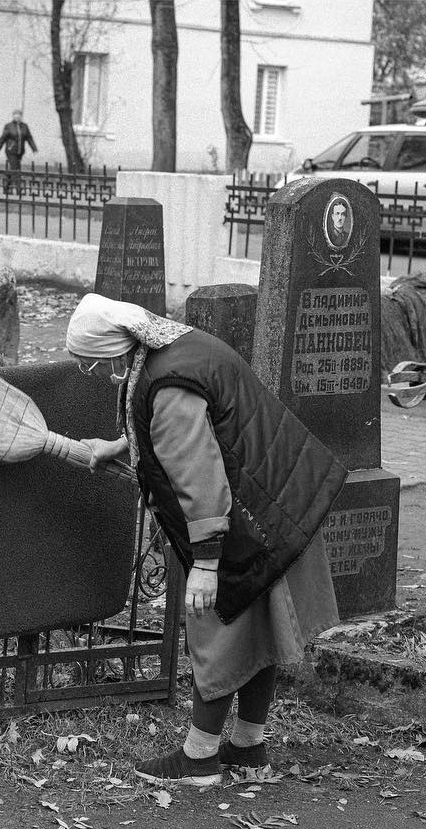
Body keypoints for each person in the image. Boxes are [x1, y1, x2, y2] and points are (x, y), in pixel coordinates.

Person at [66, 293, 346, 787]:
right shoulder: (174, 347)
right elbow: (202, 427)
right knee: (265, 630)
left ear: (114, 349)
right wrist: (123, 445)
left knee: (218, 628)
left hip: (250, 518)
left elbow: (200, 472)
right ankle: (247, 746)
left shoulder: (168, 384)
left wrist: (207, 561)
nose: (91, 373)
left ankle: (198, 760)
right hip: (280, 500)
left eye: (89, 363)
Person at [0, 109, 36, 191]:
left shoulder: (24, 126)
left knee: (13, 168)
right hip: (11, 151)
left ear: (21, 116)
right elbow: (2, 139)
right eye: (15, 115)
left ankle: (6, 186)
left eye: (19, 115)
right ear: (13, 116)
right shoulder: (8, 126)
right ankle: (19, 188)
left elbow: (29, 138)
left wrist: (34, 148)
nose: (17, 116)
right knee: (16, 169)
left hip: (20, 152)